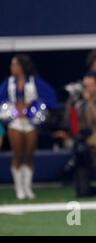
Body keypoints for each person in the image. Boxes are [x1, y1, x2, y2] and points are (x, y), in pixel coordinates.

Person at [0, 55, 57, 200]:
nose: (12, 68)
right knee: (18, 154)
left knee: (29, 155)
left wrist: (35, 107)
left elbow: (50, 97)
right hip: (15, 122)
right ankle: (18, 188)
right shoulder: (8, 83)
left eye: (15, 65)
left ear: (22, 66)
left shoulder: (34, 81)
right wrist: (9, 110)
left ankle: (28, 187)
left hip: (30, 122)